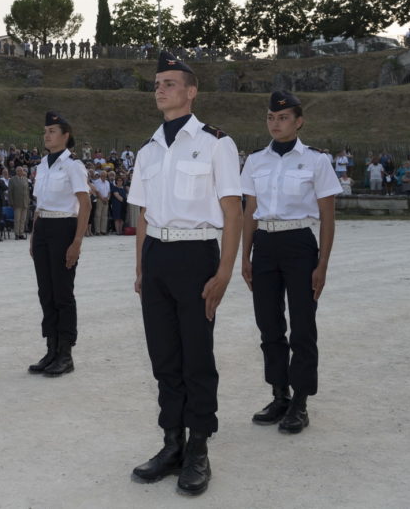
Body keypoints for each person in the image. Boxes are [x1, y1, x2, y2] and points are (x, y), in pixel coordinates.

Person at [128, 53, 242, 496]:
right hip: (157, 255)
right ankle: (171, 442)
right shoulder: (148, 149)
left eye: (170, 83)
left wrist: (225, 271)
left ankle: (198, 448)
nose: (160, 89)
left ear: (191, 92)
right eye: (157, 83)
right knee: (164, 357)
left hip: (197, 256)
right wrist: (141, 267)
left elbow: (233, 211)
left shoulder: (216, 143)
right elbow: (142, 215)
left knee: (197, 357)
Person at [240, 90, 342, 436]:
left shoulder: (316, 161)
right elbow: (249, 211)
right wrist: (245, 256)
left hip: (300, 244)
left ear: (299, 122)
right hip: (265, 245)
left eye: (283, 118)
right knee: (269, 325)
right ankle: (279, 394)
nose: (275, 124)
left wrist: (322, 263)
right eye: (270, 118)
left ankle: (300, 401)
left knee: (302, 326)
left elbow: (327, 217)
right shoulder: (255, 161)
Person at [27, 112, 90, 377]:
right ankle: (51, 348)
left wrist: (77, 241)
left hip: (64, 226)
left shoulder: (73, 165)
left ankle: (65, 353)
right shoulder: (42, 163)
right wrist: (33, 234)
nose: (46, 135)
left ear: (66, 136)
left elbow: (85, 203)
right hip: (43, 227)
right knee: (46, 291)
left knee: (62, 292)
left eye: (52, 131)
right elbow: (39, 205)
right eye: (45, 131)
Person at [8, 166, 30, 240]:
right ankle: (16, 234)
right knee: (17, 219)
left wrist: (28, 200)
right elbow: (10, 192)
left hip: (25, 202)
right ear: (16, 171)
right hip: (17, 203)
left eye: (22, 170)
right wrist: (11, 202)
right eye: (19, 171)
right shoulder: (12, 180)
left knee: (23, 219)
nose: (21, 172)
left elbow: (27, 191)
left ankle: (21, 233)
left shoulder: (25, 179)